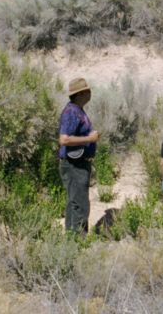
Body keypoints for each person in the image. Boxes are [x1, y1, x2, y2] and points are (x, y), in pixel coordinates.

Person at [58, 77, 99, 234]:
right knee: (80, 204)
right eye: (87, 91)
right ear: (80, 94)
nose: (90, 94)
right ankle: (78, 241)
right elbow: (64, 139)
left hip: (78, 164)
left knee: (73, 202)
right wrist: (89, 138)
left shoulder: (76, 110)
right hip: (74, 165)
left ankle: (71, 239)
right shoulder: (71, 112)